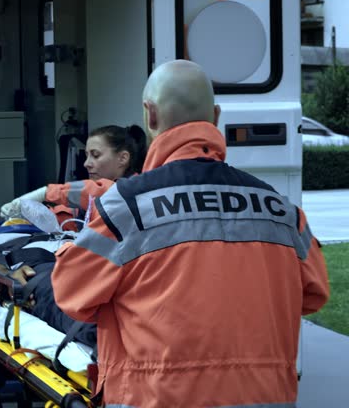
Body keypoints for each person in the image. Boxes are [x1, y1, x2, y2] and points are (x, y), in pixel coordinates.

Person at [51, 60, 330, 407]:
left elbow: (71, 293)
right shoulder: (282, 211)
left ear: (150, 115)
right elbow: (315, 293)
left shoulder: (128, 207)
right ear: (215, 116)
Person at [0, 124, 147, 222]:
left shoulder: (134, 190)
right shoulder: (93, 200)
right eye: (87, 155)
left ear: (123, 158)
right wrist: (30, 216)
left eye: (95, 155)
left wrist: (46, 193)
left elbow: (98, 191)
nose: (86, 163)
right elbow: (71, 217)